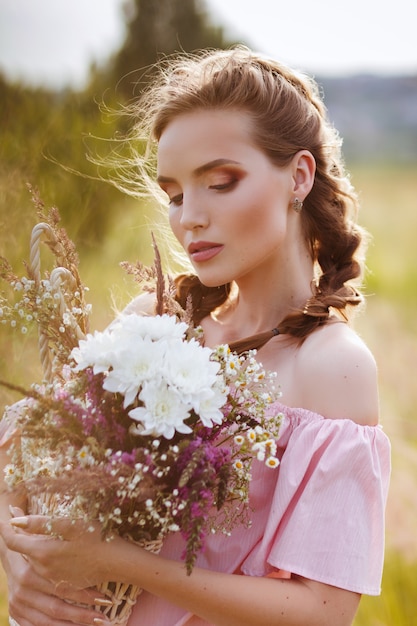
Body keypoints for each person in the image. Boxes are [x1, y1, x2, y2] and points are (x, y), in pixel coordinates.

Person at [0, 46, 390, 626]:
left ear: (299, 176)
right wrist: (24, 563)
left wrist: (116, 560)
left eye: (221, 182)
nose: (189, 219)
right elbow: (21, 460)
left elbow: (325, 610)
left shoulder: (330, 366)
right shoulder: (155, 324)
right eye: (176, 195)